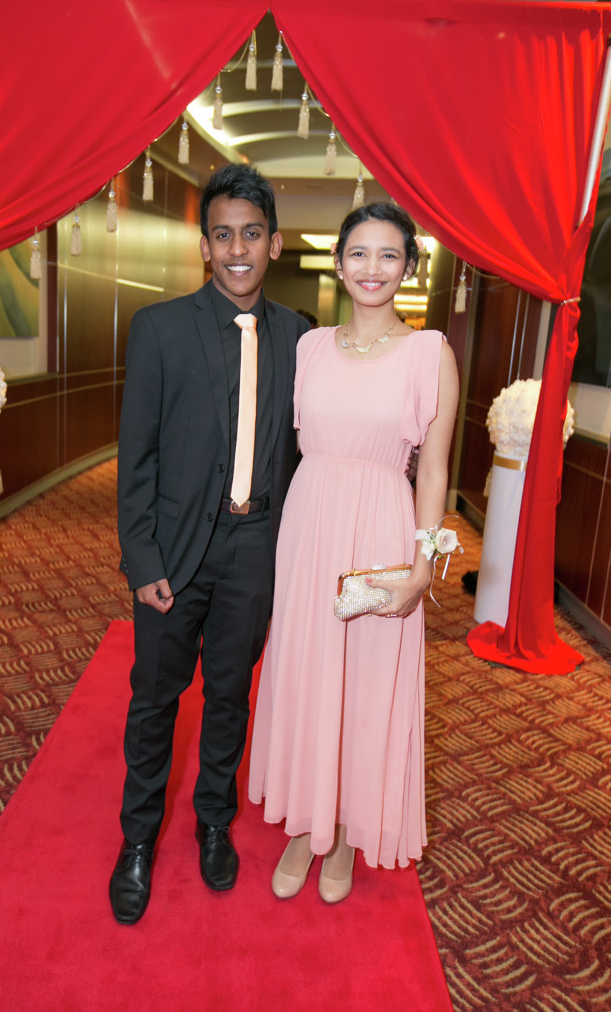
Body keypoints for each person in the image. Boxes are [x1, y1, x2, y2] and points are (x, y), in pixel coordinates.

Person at [110, 164, 309, 924]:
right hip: (173, 553)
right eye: (222, 235)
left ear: (274, 244)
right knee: (155, 700)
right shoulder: (159, 329)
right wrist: (143, 560)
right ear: (204, 246)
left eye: (251, 234)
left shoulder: (301, 338)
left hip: (256, 546)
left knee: (229, 695)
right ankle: (136, 840)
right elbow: (137, 457)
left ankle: (214, 822)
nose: (237, 249)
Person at [248, 202, 459, 903]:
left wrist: (423, 566)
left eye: (389, 254)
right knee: (307, 673)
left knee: (364, 683)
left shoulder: (430, 355)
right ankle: (307, 821)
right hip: (309, 527)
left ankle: (343, 830)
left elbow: (433, 469)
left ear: (409, 267)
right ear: (338, 263)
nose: (373, 268)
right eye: (359, 253)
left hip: (380, 530)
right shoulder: (309, 347)